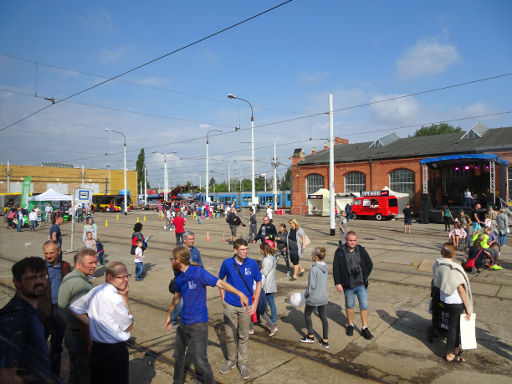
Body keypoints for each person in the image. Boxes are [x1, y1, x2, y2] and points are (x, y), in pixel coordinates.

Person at [165, 246, 249, 384]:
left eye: (173, 259)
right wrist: (169, 315)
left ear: (179, 260)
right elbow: (177, 296)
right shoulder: (179, 276)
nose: (171, 261)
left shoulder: (198, 273)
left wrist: (240, 294)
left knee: (200, 361)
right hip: (184, 324)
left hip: (198, 324)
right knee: (178, 356)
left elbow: (220, 283)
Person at [70, 262, 133, 384]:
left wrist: (91, 323)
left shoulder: (96, 290)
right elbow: (129, 325)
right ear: (109, 277)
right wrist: (125, 297)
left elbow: (75, 308)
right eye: (122, 277)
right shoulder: (116, 299)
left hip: (97, 350)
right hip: (115, 352)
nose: (126, 280)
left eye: (127, 276)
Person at [0, 257, 50, 384]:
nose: (39, 281)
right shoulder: (15, 319)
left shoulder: (33, 311)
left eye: (42, 276)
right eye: (32, 278)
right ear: (17, 282)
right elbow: (6, 376)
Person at [218, 238, 262, 380]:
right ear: (235, 250)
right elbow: (220, 281)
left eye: (246, 249)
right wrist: (223, 299)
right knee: (230, 336)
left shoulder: (252, 264)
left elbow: (259, 282)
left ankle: (242, 363)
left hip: (246, 307)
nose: (245, 252)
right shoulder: (227, 263)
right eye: (242, 249)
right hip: (230, 305)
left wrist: (254, 304)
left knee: (243, 336)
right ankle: (231, 360)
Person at [57, 248, 98, 384]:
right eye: (91, 263)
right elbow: (82, 320)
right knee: (85, 373)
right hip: (79, 336)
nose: (94, 265)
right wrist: (89, 342)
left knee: (75, 370)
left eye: (95, 262)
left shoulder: (70, 276)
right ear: (79, 264)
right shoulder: (81, 285)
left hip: (70, 332)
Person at [433, 243, 473, 363]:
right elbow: (461, 290)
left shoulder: (438, 265)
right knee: (453, 328)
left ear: (442, 253)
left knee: (453, 326)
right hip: (455, 302)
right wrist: (468, 307)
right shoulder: (453, 268)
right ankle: (450, 353)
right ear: (453, 253)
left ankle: (455, 348)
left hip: (444, 300)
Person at [333, 231, 374, 340]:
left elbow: (370, 264)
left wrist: (365, 275)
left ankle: (364, 327)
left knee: (364, 306)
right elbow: (335, 268)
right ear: (346, 240)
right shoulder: (340, 251)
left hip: (361, 284)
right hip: (348, 285)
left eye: (354, 240)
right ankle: (350, 325)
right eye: (350, 240)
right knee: (350, 306)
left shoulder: (361, 250)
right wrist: (337, 282)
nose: (352, 242)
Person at [40, 240, 71, 378]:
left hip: (60, 310)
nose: (48, 256)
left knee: (57, 346)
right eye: (46, 253)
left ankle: (54, 375)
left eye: (51, 252)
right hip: (43, 312)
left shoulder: (65, 266)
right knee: (40, 343)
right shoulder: (39, 267)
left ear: (59, 251)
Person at [300, 247, 329, 348]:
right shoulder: (325, 267)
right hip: (323, 297)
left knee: (307, 314)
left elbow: (311, 285)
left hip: (314, 298)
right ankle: (325, 340)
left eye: (312, 254)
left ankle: (310, 336)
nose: (311, 256)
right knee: (323, 318)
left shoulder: (314, 269)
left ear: (316, 257)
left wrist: (306, 294)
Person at [260, 243, 278, 332]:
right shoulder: (271, 257)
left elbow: (264, 272)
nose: (260, 251)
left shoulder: (267, 260)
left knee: (267, 303)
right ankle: (273, 319)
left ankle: (273, 320)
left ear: (264, 250)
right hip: (270, 283)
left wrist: (258, 270)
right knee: (271, 302)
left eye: (261, 249)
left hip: (267, 284)